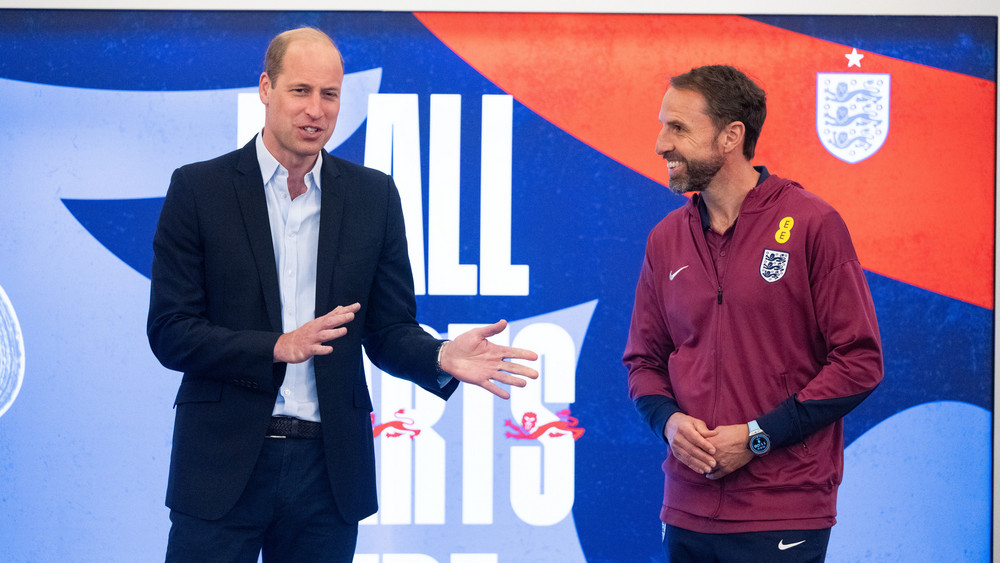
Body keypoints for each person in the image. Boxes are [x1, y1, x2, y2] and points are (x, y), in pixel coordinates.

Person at [147, 27, 538, 562]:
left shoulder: (373, 196)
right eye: (300, 91)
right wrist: (277, 346)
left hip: (327, 474)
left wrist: (440, 355)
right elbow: (171, 332)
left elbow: (388, 329)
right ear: (266, 88)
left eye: (329, 95)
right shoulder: (198, 189)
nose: (316, 110)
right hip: (220, 465)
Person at [623, 65, 883, 562]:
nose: (661, 144)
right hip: (686, 508)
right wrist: (670, 423)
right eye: (663, 126)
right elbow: (643, 361)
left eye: (678, 128)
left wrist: (757, 437)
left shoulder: (812, 224)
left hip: (783, 508)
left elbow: (860, 361)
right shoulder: (665, 239)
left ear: (730, 136)